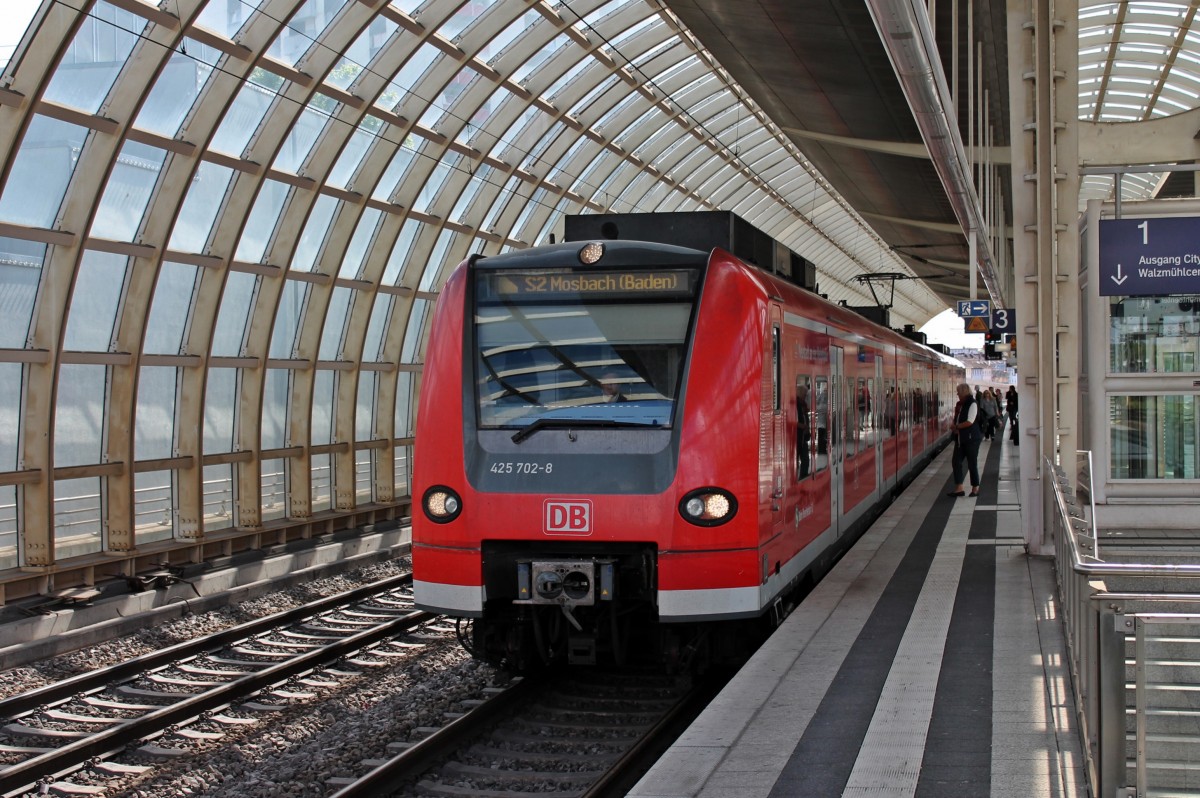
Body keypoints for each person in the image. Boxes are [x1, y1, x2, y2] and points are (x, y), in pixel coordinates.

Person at [948, 382, 983, 497]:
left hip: (972, 439)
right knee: (956, 462)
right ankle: (959, 488)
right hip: (961, 439)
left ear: (964, 392)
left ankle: (975, 488)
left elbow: (970, 421)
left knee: (972, 463)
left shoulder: (972, 403)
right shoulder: (962, 404)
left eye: (958, 392)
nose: (957, 394)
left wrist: (956, 427)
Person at [796, 384, 811, 478]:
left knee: (805, 458)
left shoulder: (802, 403)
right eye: (805, 394)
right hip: (798, 436)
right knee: (801, 457)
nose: (805, 396)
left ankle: (804, 475)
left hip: (803, 436)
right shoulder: (795, 404)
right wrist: (802, 426)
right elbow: (791, 420)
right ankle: (800, 476)